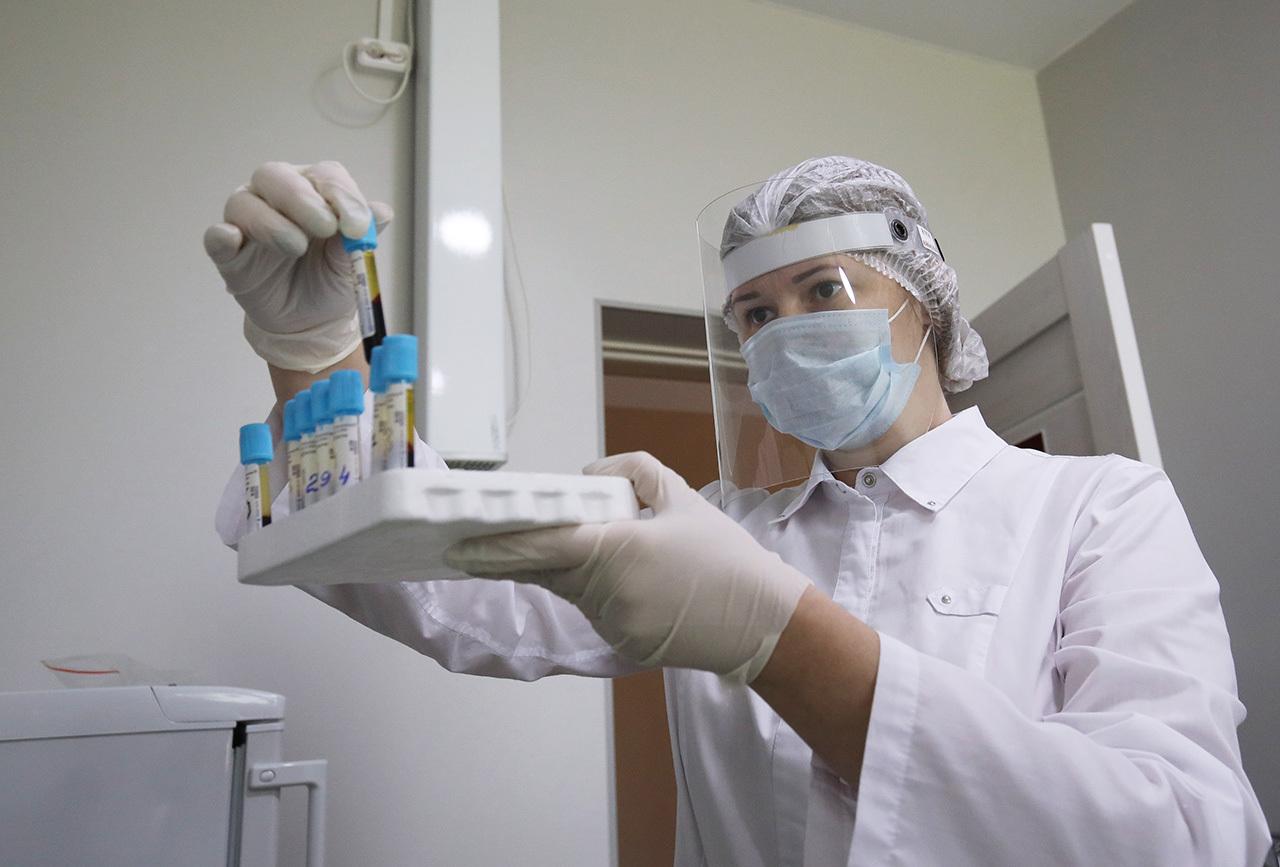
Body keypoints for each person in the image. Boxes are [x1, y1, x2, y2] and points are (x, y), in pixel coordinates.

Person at [211, 157, 1269, 865]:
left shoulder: (1097, 506)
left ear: (924, 297)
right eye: (755, 312)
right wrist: (317, 357)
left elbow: (1185, 837)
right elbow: (454, 581)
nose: (782, 329)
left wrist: (776, 634)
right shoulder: (717, 528)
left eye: (823, 291)